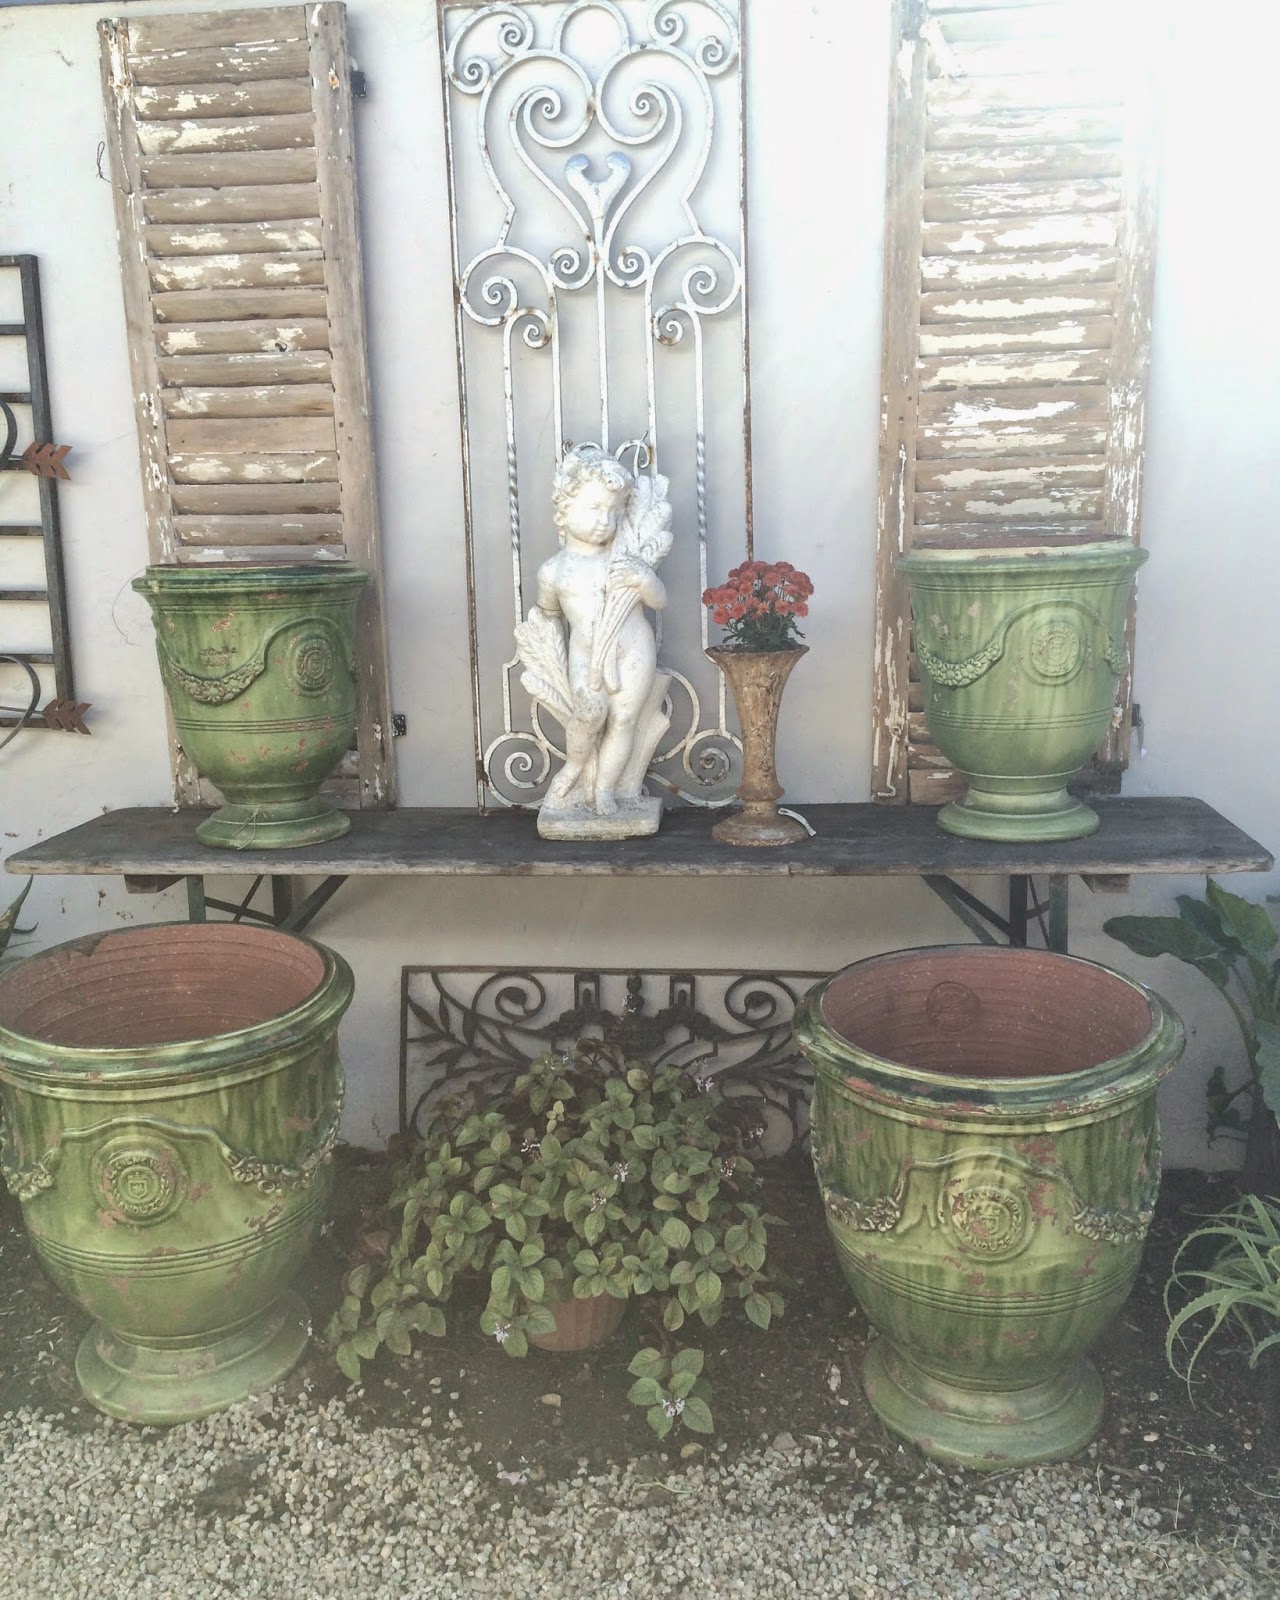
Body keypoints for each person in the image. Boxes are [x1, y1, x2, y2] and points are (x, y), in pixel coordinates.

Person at [515, 443, 672, 826]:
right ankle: (575, 766)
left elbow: (659, 601)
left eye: (613, 511)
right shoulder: (553, 571)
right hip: (586, 656)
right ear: (565, 509)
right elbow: (547, 616)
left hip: (633, 648)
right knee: (589, 714)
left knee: (623, 719)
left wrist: (644, 578)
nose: (605, 520)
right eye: (594, 508)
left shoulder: (624, 561)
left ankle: (605, 789)